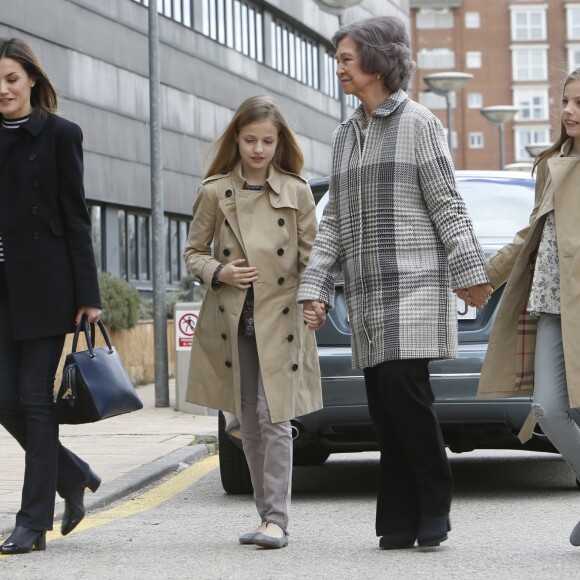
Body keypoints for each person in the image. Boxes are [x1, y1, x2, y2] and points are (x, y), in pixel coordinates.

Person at [297, 17, 491, 551]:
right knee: (384, 409)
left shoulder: (420, 123)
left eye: (346, 58)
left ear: (378, 60)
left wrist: (470, 273)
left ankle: (434, 504)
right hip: (366, 294)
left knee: (406, 398)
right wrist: (315, 285)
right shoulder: (344, 135)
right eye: (338, 59)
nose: (339, 68)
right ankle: (399, 519)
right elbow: (333, 220)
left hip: (414, 288)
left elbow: (447, 203)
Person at [183, 95, 322, 549]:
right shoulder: (214, 190)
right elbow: (192, 253)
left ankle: (277, 521)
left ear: (279, 141)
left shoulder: (297, 191)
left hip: (280, 316)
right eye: (249, 140)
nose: (258, 149)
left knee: (273, 414)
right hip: (233, 317)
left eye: (267, 140)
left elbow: (311, 259)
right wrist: (220, 272)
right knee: (246, 419)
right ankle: (266, 517)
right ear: (236, 139)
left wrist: (315, 300)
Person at [468, 68, 580, 547]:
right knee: (549, 409)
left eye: (579, 103)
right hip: (554, 302)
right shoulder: (552, 164)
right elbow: (529, 235)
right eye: (566, 102)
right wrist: (485, 276)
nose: (569, 111)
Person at [0, 38, 102, 554]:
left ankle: (32, 522)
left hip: (44, 287)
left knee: (35, 403)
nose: (3, 89)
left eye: (11, 78)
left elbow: (75, 215)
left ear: (32, 80)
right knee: (5, 398)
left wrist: (89, 293)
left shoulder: (62, 134)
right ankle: (73, 473)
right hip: (0, 292)